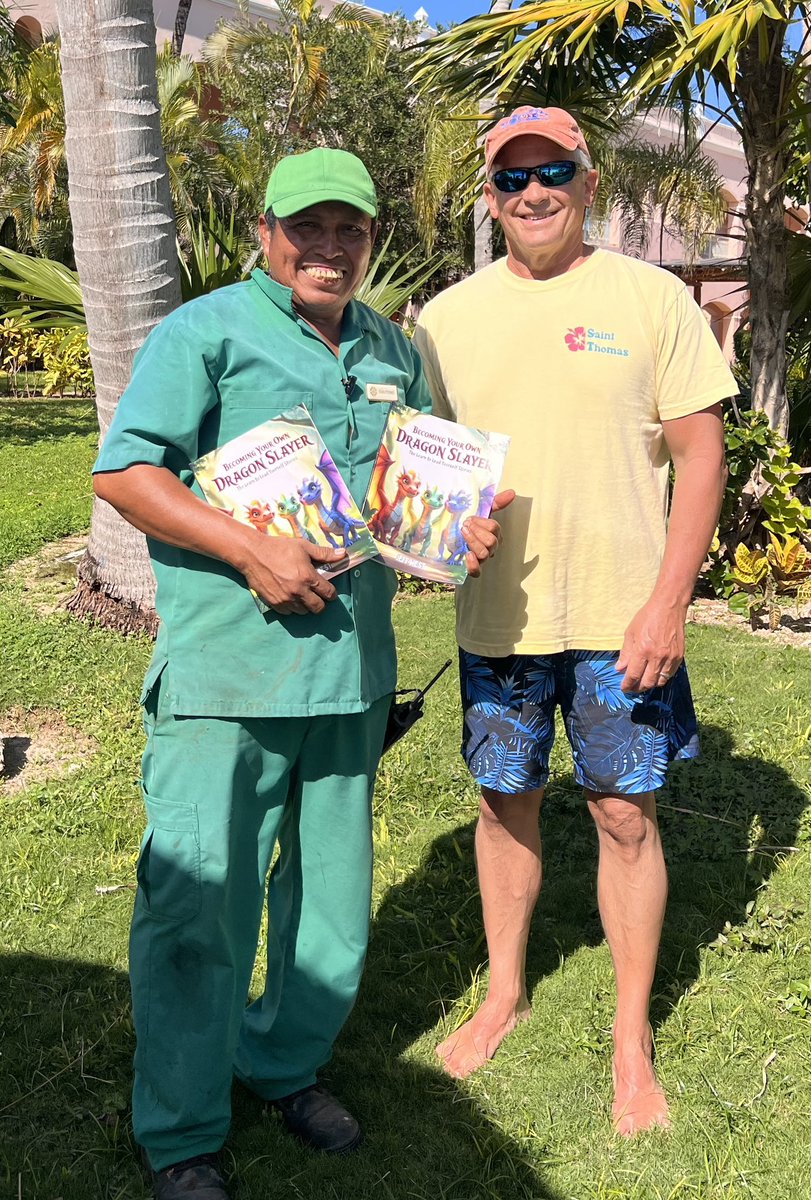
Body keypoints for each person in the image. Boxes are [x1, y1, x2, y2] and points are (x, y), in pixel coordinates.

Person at [93, 147, 505, 1200]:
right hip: (228, 677)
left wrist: (453, 525)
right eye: (306, 226)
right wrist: (248, 549)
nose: (328, 246)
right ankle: (182, 1130)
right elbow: (125, 470)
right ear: (266, 232)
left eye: (348, 229)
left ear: (370, 239)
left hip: (349, 677)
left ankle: (281, 1063)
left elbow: (407, 481)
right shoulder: (207, 331)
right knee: (200, 903)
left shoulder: (389, 346)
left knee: (330, 904)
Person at [412, 106, 736, 1136]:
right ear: (489, 198)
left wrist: (668, 604)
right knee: (503, 802)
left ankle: (630, 1041)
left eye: (551, 171)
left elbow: (699, 455)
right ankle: (504, 993)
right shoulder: (443, 320)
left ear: (588, 182)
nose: (532, 192)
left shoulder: (650, 297)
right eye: (511, 178)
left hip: (619, 616)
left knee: (624, 816)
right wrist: (439, 531)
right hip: (498, 618)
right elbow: (422, 466)